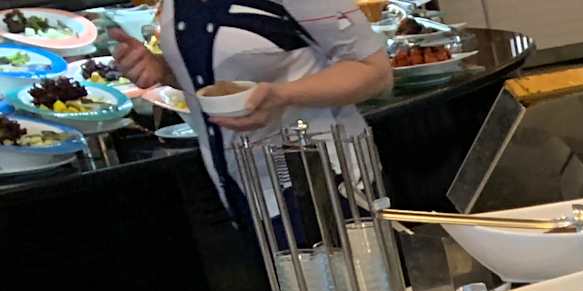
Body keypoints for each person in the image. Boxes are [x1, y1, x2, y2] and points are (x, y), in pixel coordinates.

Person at [109, 0, 389, 220]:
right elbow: (219, 76)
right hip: (243, 189)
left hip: (326, 183)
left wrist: (282, 95)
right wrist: (163, 70)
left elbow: (375, 72)